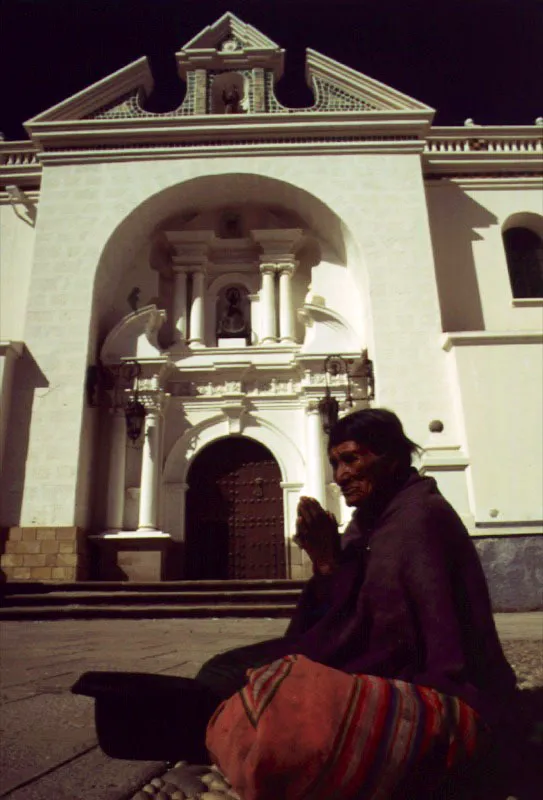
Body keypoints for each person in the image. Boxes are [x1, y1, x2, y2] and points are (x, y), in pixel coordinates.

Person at [201, 408, 518, 798]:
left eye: (352, 458)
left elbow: (387, 637)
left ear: (393, 458)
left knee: (233, 678)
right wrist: (326, 563)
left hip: (430, 685)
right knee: (227, 670)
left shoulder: (418, 519)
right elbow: (342, 617)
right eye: (335, 462)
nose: (340, 476)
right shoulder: (370, 521)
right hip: (374, 659)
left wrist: (302, 666)